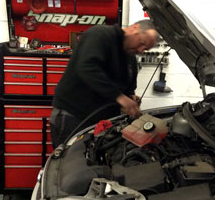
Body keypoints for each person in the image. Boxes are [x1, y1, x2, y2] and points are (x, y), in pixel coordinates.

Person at [49, 19, 158, 148]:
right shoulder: (100, 35)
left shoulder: (130, 59)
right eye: (141, 43)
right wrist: (120, 97)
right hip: (73, 117)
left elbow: (128, 88)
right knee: (68, 164)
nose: (140, 50)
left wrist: (131, 98)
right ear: (134, 28)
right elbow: (87, 67)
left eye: (145, 49)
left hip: (101, 124)